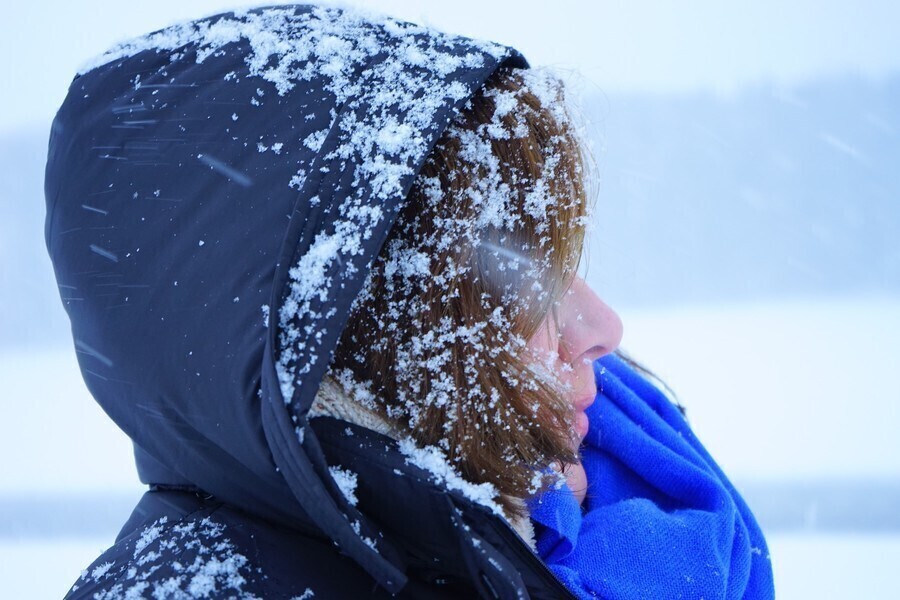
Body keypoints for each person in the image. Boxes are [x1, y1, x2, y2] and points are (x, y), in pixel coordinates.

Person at [45, 4, 775, 598]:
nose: (604, 329)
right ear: (365, 341)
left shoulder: (616, 504)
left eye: (565, 268)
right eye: (525, 287)